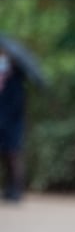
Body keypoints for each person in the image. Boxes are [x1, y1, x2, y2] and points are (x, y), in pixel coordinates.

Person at [0, 50, 27, 202]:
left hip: (12, 123)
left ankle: (16, 190)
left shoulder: (17, 79)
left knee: (13, 156)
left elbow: (18, 104)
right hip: (2, 121)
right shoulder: (2, 79)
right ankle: (8, 189)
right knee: (5, 157)